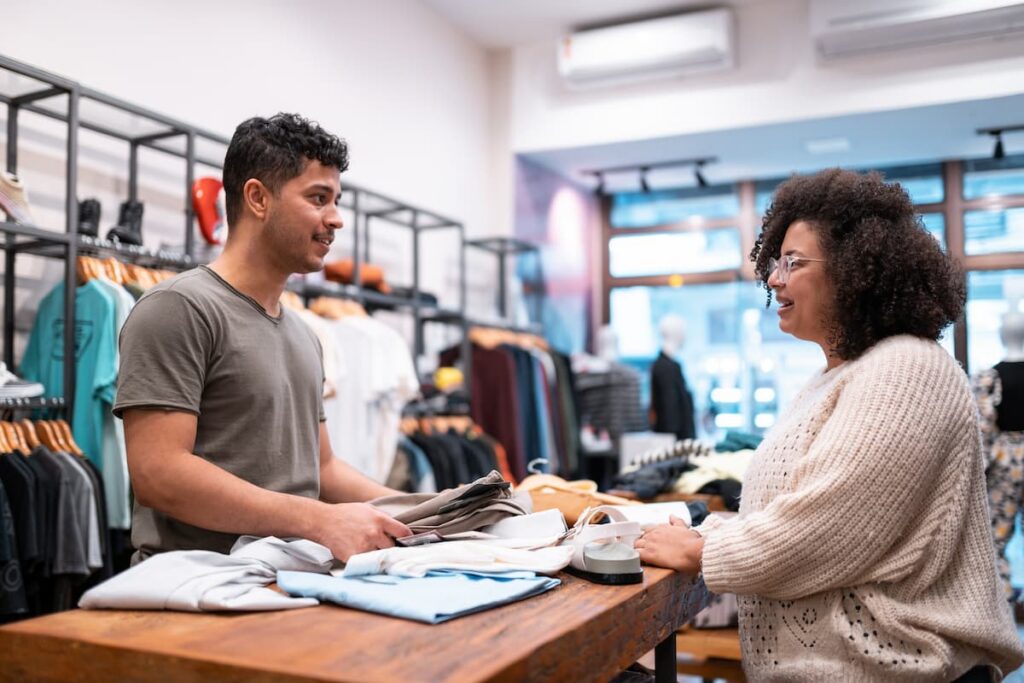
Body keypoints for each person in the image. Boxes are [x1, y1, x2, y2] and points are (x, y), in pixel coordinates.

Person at [635, 168, 1024, 681]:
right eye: (775, 263)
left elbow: (825, 529)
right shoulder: (833, 378)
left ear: (857, 269)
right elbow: (801, 508)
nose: (774, 279)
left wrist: (703, 549)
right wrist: (707, 531)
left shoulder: (909, 367)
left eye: (793, 262)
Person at [114, 113, 410, 565]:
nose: (336, 219)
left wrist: (426, 510)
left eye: (336, 201)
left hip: (289, 578)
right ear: (257, 198)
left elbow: (324, 469)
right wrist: (316, 520)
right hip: (196, 585)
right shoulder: (177, 308)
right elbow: (159, 472)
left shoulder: (305, 336)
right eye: (318, 198)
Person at [974, 309, 1024, 600]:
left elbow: (983, 426)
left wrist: (981, 465)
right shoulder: (989, 378)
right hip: (1006, 461)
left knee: (997, 536)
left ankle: (1002, 603)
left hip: (1006, 462)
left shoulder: (991, 378)